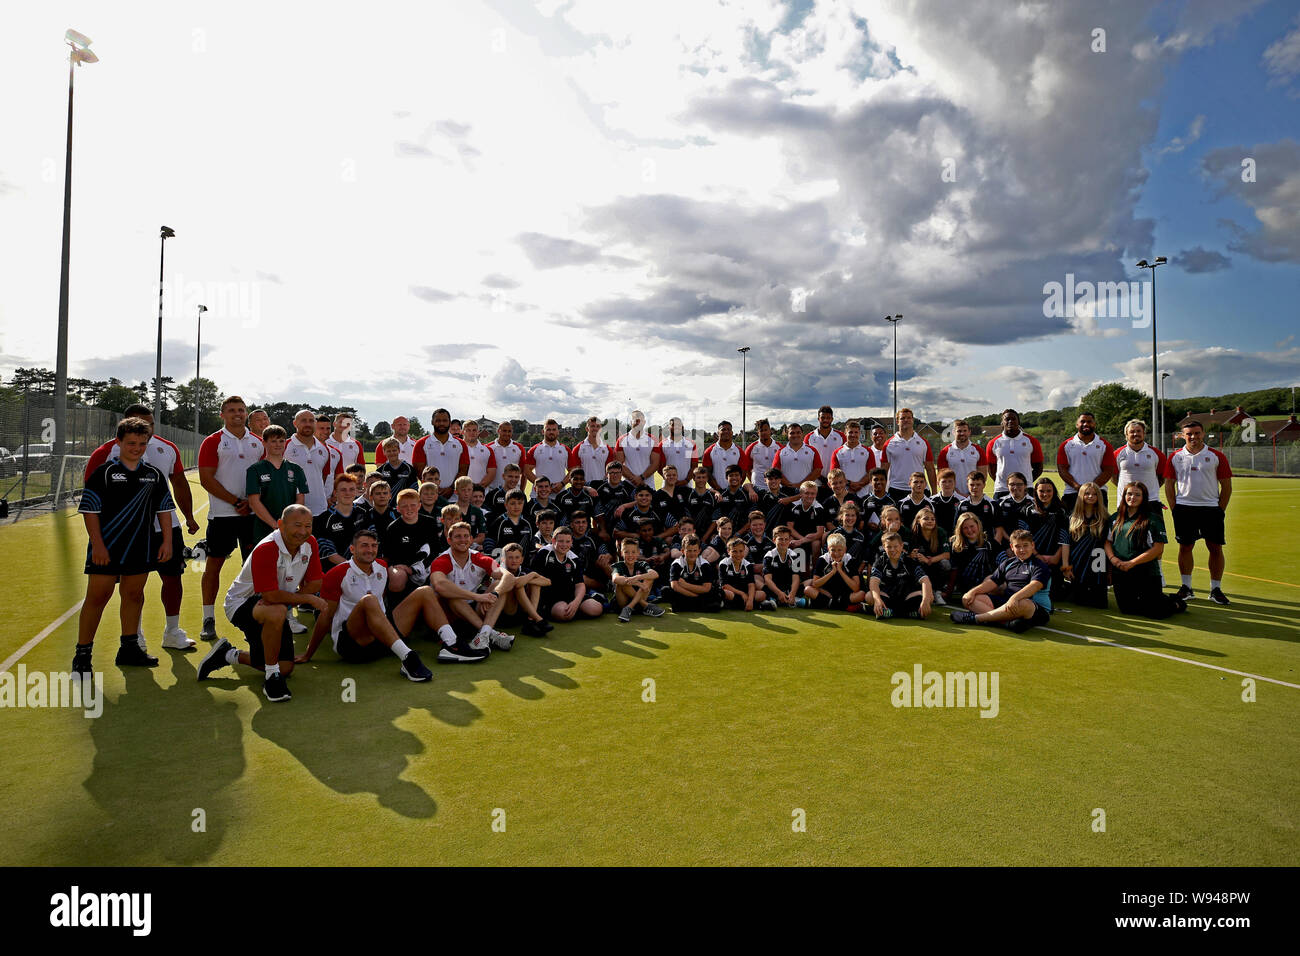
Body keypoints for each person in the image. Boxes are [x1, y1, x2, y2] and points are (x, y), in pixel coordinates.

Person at [83, 403, 198, 651]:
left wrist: (188, 517)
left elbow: (178, 483)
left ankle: (172, 631)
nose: (142, 433)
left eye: (149, 425)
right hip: (122, 533)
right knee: (122, 589)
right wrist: (99, 540)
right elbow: (91, 499)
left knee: (172, 578)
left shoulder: (166, 449)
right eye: (137, 425)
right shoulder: (104, 454)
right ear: (123, 428)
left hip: (165, 528)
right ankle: (134, 638)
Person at [73, 417, 175, 673]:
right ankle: (82, 656)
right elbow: (90, 511)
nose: (137, 448)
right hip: (106, 547)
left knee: (133, 595)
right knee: (98, 597)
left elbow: (164, 510)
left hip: (140, 546)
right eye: (131, 443)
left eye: (142, 443)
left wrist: (167, 541)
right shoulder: (104, 473)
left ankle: (128, 648)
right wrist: (97, 545)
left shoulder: (153, 475)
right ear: (118, 442)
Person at [203, 504, 325, 702]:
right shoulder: (267, 548)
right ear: (280, 525)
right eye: (297, 525)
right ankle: (271, 678)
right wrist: (306, 598)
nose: (302, 532)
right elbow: (270, 596)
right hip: (241, 604)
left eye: (308, 526)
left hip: (275, 604)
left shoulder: (310, 542)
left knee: (286, 667)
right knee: (276, 611)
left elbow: (315, 582)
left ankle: (229, 654)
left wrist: (291, 599)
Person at [289, 528, 434, 681]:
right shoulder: (337, 573)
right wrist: (308, 654)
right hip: (353, 644)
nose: (370, 550)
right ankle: (408, 656)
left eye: (373, 546)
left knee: (425, 591)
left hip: (380, 640)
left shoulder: (382, 567)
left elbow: (382, 601)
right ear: (352, 549)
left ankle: (451, 643)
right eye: (364, 545)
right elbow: (326, 616)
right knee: (369, 599)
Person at [198, 396, 265, 641]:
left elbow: (264, 476)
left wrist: (252, 501)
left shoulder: (259, 442)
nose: (237, 414)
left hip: (251, 516)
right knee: (213, 566)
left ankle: (252, 619)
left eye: (241, 410)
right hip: (222, 516)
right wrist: (236, 501)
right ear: (222, 415)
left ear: (246, 413)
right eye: (231, 410)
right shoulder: (213, 441)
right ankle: (208, 618)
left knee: (253, 568)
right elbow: (207, 479)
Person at [1164, 420, 1233, 605]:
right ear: (1182, 436)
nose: (1193, 437)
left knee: (1215, 548)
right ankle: (1186, 587)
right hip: (1184, 508)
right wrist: (1175, 508)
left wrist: (1220, 509)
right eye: (1189, 434)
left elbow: (1226, 485)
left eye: (1197, 433)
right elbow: (1169, 484)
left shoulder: (1216, 456)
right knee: (1185, 547)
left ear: (1203, 433)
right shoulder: (1175, 457)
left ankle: (1215, 589)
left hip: (1211, 509)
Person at [430, 523, 517, 657]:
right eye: (458, 536)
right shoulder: (442, 560)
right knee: (453, 597)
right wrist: (478, 597)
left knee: (500, 585)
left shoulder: (480, 557)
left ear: (471, 539)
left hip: (475, 610)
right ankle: (491, 634)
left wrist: (494, 594)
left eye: (466, 536)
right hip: (449, 616)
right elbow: (439, 585)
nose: (463, 540)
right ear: (449, 540)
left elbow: (509, 577)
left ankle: (484, 635)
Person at [1106, 482, 1187, 618]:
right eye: (1129, 494)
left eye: (1137, 495)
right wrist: (1113, 559)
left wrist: (1132, 563)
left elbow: (1158, 549)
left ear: (1144, 498)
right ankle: (1155, 599)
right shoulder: (1115, 518)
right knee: (1127, 609)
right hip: (1121, 571)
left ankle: (1175, 603)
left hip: (1146, 572)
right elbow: (1107, 542)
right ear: (1124, 496)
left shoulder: (1153, 519)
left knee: (1156, 613)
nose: (1132, 497)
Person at [950, 529, 1052, 632]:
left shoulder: (1040, 566)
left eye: (1025, 545)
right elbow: (992, 582)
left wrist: (1015, 598)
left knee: (1025, 604)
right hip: (1008, 603)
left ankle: (975, 618)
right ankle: (1005, 622)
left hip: (1034, 608)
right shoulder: (1008, 563)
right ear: (1012, 547)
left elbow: (1034, 586)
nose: (1022, 550)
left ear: (1032, 545)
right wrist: (972, 592)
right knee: (969, 599)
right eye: (1017, 546)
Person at [247, 424, 310, 543]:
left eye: (281, 441)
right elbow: (254, 502)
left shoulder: (296, 469)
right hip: (264, 529)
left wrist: (289, 523)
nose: (278, 444)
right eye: (273, 441)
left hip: (290, 528)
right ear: (264, 443)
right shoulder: (254, 470)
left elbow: (300, 500)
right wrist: (276, 525)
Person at [534, 526, 604, 621]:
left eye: (567, 542)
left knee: (596, 609)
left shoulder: (574, 558)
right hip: (552, 598)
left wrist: (576, 602)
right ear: (554, 541)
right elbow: (535, 578)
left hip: (570, 595)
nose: (564, 545)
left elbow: (580, 584)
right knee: (563, 613)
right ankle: (569, 612)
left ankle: (575, 609)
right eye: (561, 541)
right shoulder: (544, 553)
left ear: (571, 542)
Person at [382, 489, 441, 599]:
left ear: (419, 506)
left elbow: (435, 550)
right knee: (397, 577)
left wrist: (416, 569)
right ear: (398, 509)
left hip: (426, 564)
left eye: (413, 505)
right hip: (403, 566)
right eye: (404, 506)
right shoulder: (393, 528)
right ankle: (394, 610)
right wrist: (407, 568)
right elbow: (390, 556)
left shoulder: (429, 522)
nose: (409, 509)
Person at [1063, 481, 1111, 608]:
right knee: (1078, 600)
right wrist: (1066, 567)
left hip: (1098, 562)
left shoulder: (1105, 519)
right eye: (1087, 493)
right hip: (1078, 562)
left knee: (1098, 603)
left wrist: (1110, 570)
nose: (1090, 496)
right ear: (1081, 496)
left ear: (1099, 497)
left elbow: (1108, 544)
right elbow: (1066, 544)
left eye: (1094, 494)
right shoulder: (1072, 518)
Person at [1056, 411, 1115, 512]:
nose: (1086, 424)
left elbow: (1108, 470)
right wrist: (1077, 487)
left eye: (1089, 421)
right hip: (1072, 493)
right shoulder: (1066, 445)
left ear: (1094, 424)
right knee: (1071, 525)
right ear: (1077, 424)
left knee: (1099, 526)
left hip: (1098, 492)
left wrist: (1092, 488)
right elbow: (1062, 469)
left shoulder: (1105, 445)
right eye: (1082, 421)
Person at [311, 473, 371, 568]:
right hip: (336, 568)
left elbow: (372, 542)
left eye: (351, 489)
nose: (347, 493)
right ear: (335, 493)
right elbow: (330, 554)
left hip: (362, 565)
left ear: (356, 491)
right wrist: (353, 567)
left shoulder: (364, 513)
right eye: (343, 490)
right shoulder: (323, 519)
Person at [867, 532, 932, 619]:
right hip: (888, 597)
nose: (892, 550)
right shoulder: (880, 561)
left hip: (907, 598)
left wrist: (925, 601)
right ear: (883, 547)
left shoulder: (909, 561)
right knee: (869, 596)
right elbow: (873, 582)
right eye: (889, 547)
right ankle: (909, 614)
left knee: (929, 597)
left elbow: (925, 580)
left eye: (895, 546)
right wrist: (877, 600)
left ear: (901, 546)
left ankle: (889, 612)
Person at [496, 543, 554, 637]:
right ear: (503, 559)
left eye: (517, 557)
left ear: (522, 559)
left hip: (522, 612)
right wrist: (532, 575)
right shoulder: (500, 571)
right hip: (507, 614)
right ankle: (538, 619)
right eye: (510, 557)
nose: (514, 560)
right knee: (519, 585)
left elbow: (548, 582)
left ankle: (530, 621)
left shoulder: (523, 570)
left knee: (535, 584)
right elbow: (517, 583)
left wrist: (530, 577)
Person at [1022, 477, 1069, 593]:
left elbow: (1064, 537)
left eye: (1049, 491)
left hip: (1053, 559)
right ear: (1036, 492)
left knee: (1056, 594)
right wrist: (1037, 555)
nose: (1045, 494)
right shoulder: (1027, 510)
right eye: (1041, 491)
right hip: (1032, 556)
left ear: (1054, 492)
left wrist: (1056, 557)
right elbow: (1023, 538)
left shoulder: (1061, 510)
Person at [986, 409, 1043, 497]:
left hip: (1026, 489)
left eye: (1013, 419)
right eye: (1007, 419)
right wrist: (1004, 483)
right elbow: (991, 469)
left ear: (1018, 421)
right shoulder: (993, 443)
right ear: (1002, 422)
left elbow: (1038, 467)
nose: (1010, 421)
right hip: (1002, 489)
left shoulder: (1031, 441)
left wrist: (1025, 482)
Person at [1112, 419, 1168, 508]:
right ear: (1126, 435)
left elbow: (1162, 477)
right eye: (1132, 431)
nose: (1135, 434)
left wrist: (1148, 491)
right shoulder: (1117, 454)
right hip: (1126, 501)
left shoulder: (1157, 454)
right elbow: (1114, 477)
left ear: (1144, 433)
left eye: (1139, 431)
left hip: (1151, 501)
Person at [805, 533, 866, 611]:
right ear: (828, 549)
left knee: (861, 594)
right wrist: (832, 572)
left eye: (840, 550)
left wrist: (840, 571)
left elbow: (856, 588)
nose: (836, 554)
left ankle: (827, 604)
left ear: (845, 549)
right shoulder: (822, 559)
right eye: (833, 550)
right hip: (827, 593)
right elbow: (815, 583)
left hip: (844, 594)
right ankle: (840, 605)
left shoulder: (850, 560)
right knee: (808, 590)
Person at [611, 537, 666, 621]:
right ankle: (645, 605)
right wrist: (638, 583)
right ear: (621, 553)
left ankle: (629, 608)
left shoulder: (642, 564)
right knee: (622, 582)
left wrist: (638, 577)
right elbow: (615, 579)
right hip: (623, 602)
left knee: (649, 578)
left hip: (639, 598)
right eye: (626, 552)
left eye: (633, 552)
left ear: (638, 553)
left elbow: (655, 574)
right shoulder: (617, 565)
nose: (630, 555)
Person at [884, 408, 937, 497]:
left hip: (920, 489)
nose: (906, 420)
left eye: (909, 418)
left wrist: (934, 491)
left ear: (912, 420)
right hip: (896, 489)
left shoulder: (923, 442)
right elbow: (884, 470)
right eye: (902, 418)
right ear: (897, 421)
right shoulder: (889, 444)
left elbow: (930, 469)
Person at [946, 512, 996, 604]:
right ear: (960, 530)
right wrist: (949, 591)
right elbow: (954, 569)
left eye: (972, 526)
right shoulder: (955, 544)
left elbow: (997, 568)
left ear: (978, 525)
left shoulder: (988, 543)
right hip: (964, 583)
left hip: (984, 583)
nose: (969, 530)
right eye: (965, 528)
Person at [413, 408, 468, 483]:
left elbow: (464, 470)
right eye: (438, 421)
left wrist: (451, 489)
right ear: (432, 422)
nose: (442, 423)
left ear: (449, 422)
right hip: (430, 493)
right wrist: (434, 488)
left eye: (445, 421)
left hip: (455, 493)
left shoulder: (461, 444)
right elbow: (419, 471)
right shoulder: (421, 443)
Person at [668, 534, 720, 613]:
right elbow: (675, 586)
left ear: (699, 550)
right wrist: (694, 597)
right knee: (666, 591)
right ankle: (699, 606)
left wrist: (685, 585)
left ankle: (684, 607)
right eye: (689, 550)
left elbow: (706, 588)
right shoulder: (677, 564)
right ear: (682, 551)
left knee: (715, 592)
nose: (692, 553)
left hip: (698, 593)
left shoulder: (705, 564)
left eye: (695, 550)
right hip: (686, 593)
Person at [908, 507, 951, 603]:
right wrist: (911, 555)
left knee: (945, 564)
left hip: (935, 565)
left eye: (932, 519)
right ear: (918, 520)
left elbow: (947, 554)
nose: (930, 521)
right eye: (926, 519)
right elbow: (907, 553)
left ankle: (938, 591)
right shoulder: (913, 534)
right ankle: (921, 589)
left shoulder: (940, 532)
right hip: (919, 566)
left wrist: (929, 560)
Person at [784, 480, 827, 570]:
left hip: (812, 538)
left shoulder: (819, 508)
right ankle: (794, 572)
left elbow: (819, 533)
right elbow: (789, 528)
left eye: (813, 493)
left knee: (816, 544)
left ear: (816, 494)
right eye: (807, 493)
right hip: (796, 535)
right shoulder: (793, 506)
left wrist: (802, 541)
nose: (810, 496)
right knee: (790, 541)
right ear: (801, 494)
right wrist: (800, 540)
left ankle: (815, 572)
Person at [717, 536, 767, 611]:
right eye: (734, 551)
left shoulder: (748, 565)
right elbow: (724, 585)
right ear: (728, 551)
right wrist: (741, 594)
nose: (738, 554)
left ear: (744, 551)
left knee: (762, 594)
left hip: (745, 593)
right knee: (726, 593)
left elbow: (751, 585)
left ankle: (738, 605)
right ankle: (757, 605)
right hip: (733, 593)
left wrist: (750, 600)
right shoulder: (724, 563)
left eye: (741, 551)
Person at [936, 419, 986, 494]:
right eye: (959, 431)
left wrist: (972, 492)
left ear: (969, 432)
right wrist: (957, 493)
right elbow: (943, 477)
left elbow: (983, 475)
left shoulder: (978, 450)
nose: (962, 433)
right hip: (952, 495)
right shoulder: (945, 452)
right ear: (953, 432)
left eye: (965, 431)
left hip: (973, 495)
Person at [829, 419, 875, 499]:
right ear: (845, 433)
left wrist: (859, 484)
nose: (853, 435)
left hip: (864, 494)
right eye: (850, 432)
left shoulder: (868, 451)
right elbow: (834, 475)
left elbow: (871, 472)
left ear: (859, 433)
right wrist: (849, 484)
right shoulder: (837, 452)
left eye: (856, 432)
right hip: (844, 494)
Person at [615, 410, 660, 490]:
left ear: (644, 422)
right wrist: (634, 479)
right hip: (628, 486)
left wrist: (641, 478)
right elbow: (619, 463)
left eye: (640, 420)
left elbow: (655, 463)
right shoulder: (622, 440)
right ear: (630, 422)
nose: (638, 422)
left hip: (648, 486)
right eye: (635, 420)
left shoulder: (653, 439)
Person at [772, 422, 822, 494]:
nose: (795, 435)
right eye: (792, 433)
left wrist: (802, 484)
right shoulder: (780, 452)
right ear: (787, 435)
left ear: (802, 434)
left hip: (808, 491)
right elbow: (775, 472)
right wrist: (789, 485)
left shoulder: (812, 450)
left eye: (798, 432)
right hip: (786, 491)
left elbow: (818, 470)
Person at [524, 419, 569, 496]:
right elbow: (526, 469)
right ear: (543, 431)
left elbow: (573, 471)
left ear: (558, 432)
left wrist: (562, 484)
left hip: (560, 495)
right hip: (538, 495)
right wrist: (540, 485)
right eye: (548, 429)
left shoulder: (565, 449)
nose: (551, 432)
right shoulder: (535, 449)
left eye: (554, 429)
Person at [486, 489, 534, 561]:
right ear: (506, 505)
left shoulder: (527, 523)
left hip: (523, 564)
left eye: (520, 503)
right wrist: (498, 561)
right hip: (503, 564)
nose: (516, 506)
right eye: (512, 503)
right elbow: (489, 542)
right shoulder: (499, 522)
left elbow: (531, 544)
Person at [762, 526, 802, 607]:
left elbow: (796, 577)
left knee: (809, 582)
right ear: (774, 540)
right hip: (774, 589)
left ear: (789, 540)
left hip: (788, 588)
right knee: (758, 582)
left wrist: (793, 593)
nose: (783, 542)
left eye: (786, 539)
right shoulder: (769, 555)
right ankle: (775, 598)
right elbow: (767, 579)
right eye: (780, 539)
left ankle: (789, 598)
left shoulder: (794, 555)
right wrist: (779, 593)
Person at [702, 420, 746, 493]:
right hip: (716, 492)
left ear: (732, 433)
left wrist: (735, 488)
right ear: (718, 433)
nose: (726, 431)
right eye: (723, 429)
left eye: (729, 429)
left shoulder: (739, 451)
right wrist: (717, 488)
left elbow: (743, 473)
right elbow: (707, 473)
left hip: (735, 492)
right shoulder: (709, 451)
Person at [994, 472, 1034, 551]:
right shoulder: (1000, 503)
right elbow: (999, 528)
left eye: (1019, 484)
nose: (1015, 487)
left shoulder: (1034, 503)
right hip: (1007, 546)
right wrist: (1010, 545)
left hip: (1029, 547)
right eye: (1012, 484)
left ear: (1025, 486)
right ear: (1007, 486)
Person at [805, 406, 845, 482]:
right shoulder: (809, 437)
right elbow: (807, 461)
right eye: (823, 417)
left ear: (832, 419)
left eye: (828, 418)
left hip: (835, 482)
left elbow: (845, 459)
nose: (825, 420)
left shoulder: (841, 436)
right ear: (818, 418)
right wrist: (821, 478)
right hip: (815, 482)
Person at [569, 416, 612, 487]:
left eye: (598, 426)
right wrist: (585, 487)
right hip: (583, 488)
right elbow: (574, 473)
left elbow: (610, 472)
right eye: (592, 426)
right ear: (587, 428)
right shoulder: (578, 448)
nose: (595, 428)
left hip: (602, 488)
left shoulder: (607, 449)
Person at [954, 470, 998, 540]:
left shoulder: (992, 504)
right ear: (967, 485)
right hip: (967, 544)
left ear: (984, 485)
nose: (975, 487)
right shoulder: (961, 505)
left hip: (986, 544)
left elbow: (999, 530)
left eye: (978, 484)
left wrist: (994, 545)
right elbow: (957, 527)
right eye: (972, 485)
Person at [657, 417, 699, 487]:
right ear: (668, 427)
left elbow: (694, 465)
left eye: (679, 425)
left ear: (682, 427)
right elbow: (659, 467)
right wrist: (669, 480)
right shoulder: (662, 445)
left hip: (687, 485)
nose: (676, 427)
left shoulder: (691, 444)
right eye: (673, 425)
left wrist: (686, 480)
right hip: (668, 486)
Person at [743, 418, 783, 490]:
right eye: (761, 430)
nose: (764, 432)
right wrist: (753, 481)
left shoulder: (779, 447)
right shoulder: (751, 448)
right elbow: (747, 469)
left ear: (770, 431)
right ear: (758, 433)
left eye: (766, 430)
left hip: (775, 487)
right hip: (757, 486)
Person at [486, 421, 526, 491]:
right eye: (504, 431)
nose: (507, 433)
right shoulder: (489, 447)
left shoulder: (519, 447)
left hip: (514, 491)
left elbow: (524, 472)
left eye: (509, 431)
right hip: (493, 490)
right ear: (498, 431)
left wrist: (522, 491)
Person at [460, 419, 497, 489]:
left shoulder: (488, 450)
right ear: (462, 432)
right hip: (460, 494)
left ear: (478, 432)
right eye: (468, 430)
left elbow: (492, 473)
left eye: (474, 430)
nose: (472, 433)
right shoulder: (457, 448)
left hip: (480, 495)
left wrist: (478, 489)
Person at [314, 414, 343, 504]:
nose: (325, 431)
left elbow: (339, 479)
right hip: (306, 500)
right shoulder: (304, 449)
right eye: (321, 428)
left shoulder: (336, 452)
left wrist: (334, 497)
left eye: (328, 428)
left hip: (329, 502)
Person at [927, 468, 962, 533]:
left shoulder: (962, 501)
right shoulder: (931, 501)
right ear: (938, 483)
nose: (947, 484)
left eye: (950, 481)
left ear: (955, 483)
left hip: (955, 536)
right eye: (944, 481)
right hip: (936, 535)